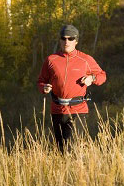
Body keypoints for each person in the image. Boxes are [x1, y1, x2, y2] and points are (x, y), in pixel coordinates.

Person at [37, 24, 106, 152]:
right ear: (60, 40)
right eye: (63, 38)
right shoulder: (51, 60)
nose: (66, 41)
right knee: (61, 149)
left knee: (71, 147)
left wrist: (92, 79)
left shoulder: (85, 59)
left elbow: (102, 75)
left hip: (78, 109)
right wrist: (44, 88)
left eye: (70, 38)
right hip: (57, 109)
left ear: (76, 41)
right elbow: (41, 81)